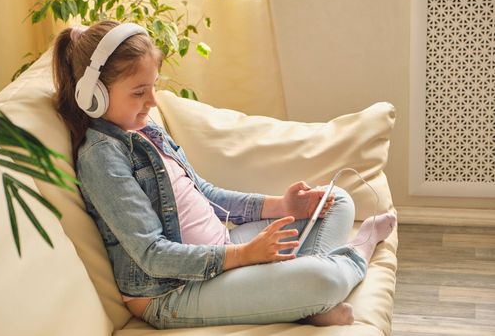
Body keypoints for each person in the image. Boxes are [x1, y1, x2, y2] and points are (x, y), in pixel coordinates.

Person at [52, 20, 397, 330]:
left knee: (335, 201)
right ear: (92, 96)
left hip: (225, 248)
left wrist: (283, 204)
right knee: (323, 279)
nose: (153, 101)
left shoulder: (146, 130)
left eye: (154, 86)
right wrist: (245, 257)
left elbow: (205, 193)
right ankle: (355, 254)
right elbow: (153, 255)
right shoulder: (101, 158)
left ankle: (299, 301)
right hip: (175, 292)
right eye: (139, 92)